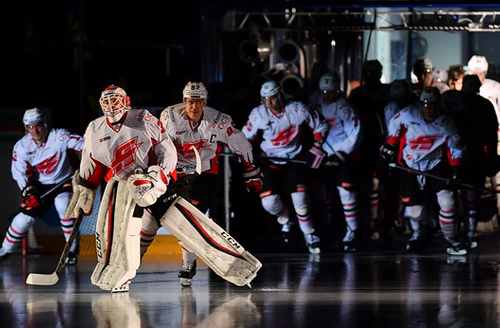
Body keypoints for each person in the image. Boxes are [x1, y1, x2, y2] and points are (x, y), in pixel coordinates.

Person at [65, 85, 178, 292]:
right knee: (106, 230)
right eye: (106, 101)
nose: (110, 105)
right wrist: (85, 186)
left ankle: (127, 271)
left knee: (131, 229)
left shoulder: (143, 118)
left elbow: (165, 148)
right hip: (117, 184)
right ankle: (111, 266)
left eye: (114, 100)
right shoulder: (95, 128)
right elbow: (91, 162)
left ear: (126, 102)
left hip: (147, 182)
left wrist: (160, 174)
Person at [149, 81, 263, 287]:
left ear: (205, 102)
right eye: (191, 102)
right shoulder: (169, 117)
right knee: (152, 218)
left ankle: (187, 263)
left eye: (199, 102)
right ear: (184, 101)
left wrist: (250, 169)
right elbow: (155, 144)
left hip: (204, 173)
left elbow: (242, 143)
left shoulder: (218, 121)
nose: (194, 107)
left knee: (192, 217)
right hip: (173, 172)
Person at [242, 80, 329, 254]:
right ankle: (286, 219)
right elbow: (245, 137)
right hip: (269, 161)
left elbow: (321, 124)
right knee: (269, 203)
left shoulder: (298, 109)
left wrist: (317, 146)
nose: (268, 103)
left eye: (272, 98)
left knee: (301, 200)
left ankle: (309, 235)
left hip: (293, 161)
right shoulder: (258, 114)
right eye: (265, 99)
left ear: (280, 95)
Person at [380, 87, 466, 255]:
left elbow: (455, 146)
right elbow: (394, 126)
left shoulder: (447, 123)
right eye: (424, 104)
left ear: (438, 104)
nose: (428, 109)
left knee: (447, 202)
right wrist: (391, 144)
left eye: (431, 104)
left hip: (435, 164)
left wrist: (456, 167)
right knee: (414, 210)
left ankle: (452, 239)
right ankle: (419, 232)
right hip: (410, 165)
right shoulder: (408, 114)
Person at [0, 108, 83, 263]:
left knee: (63, 205)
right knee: (24, 219)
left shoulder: (59, 136)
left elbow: (83, 144)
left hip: (63, 182)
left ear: (45, 124)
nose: (35, 131)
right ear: (26, 128)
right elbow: (19, 173)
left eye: (38, 125)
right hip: (39, 186)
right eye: (30, 127)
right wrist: (27, 191)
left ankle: (71, 249)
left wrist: (89, 154)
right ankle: (4, 251)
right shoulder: (21, 147)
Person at [440, 75, 500, 248]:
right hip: (464, 155)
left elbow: (490, 133)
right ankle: (467, 232)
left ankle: (466, 232)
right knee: (459, 195)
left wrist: (492, 156)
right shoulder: (479, 104)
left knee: (463, 195)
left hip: (467, 155)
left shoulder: (454, 101)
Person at [313, 72, 362, 251]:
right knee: (319, 192)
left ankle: (352, 231)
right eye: (324, 92)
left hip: (342, 156)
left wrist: (342, 153)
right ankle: (325, 228)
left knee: (346, 192)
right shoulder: (314, 102)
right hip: (320, 154)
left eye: (331, 92)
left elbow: (355, 132)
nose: (327, 96)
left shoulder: (345, 107)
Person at [348, 59, 391, 242]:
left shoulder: (386, 93)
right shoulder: (357, 94)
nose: (372, 78)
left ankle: (383, 223)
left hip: (383, 144)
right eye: (369, 74)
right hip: (362, 145)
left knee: (382, 187)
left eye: (375, 74)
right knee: (365, 186)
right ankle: (367, 223)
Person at [467, 55, 500, 121]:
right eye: (474, 74)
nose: (476, 77)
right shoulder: (460, 86)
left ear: (485, 73)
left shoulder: (496, 87)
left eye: (480, 74)